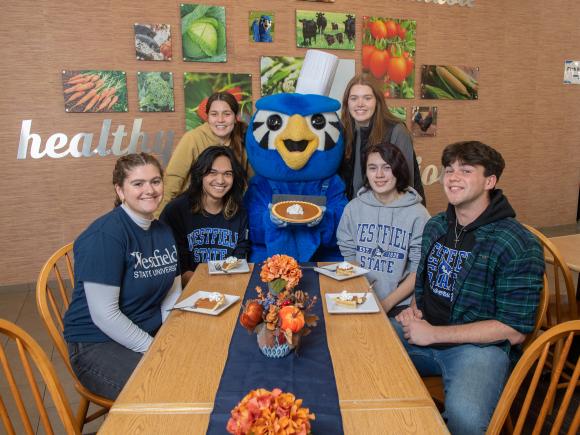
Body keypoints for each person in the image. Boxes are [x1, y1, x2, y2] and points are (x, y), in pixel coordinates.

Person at [393, 141, 544, 434]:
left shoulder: (517, 243)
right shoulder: (436, 225)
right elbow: (426, 284)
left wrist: (434, 334)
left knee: (467, 419)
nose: (452, 176)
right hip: (424, 331)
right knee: (364, 349)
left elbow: (515, 328)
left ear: (490, 180)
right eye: (449, 170)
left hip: (478, 349)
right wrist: (413, 310)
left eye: (465, 170)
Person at [63, 153, 182, 400]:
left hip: (145, 331)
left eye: (155, 181)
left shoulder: (163, 230)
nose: (149, 190)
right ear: (120, 190)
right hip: (96, 343)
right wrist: (154, 348)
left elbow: (172, 291)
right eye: (138, 184)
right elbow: (104, 315)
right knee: (164, 391)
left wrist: (172, 338)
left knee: (198, 366)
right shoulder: (106, 235)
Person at [337, 143, 430, 317]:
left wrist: (385, 305)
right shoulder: (353, 208)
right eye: (372, 168)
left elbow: (418, 270)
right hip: (360, 299)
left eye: (386, 168)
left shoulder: (418, 214)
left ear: (398, 170)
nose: (379, 175)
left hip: (400, 307)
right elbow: (349, 256)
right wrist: (361, 294)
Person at [160, 146, 250, 286]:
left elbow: (239, 261)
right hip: (187, 292)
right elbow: (177, 268)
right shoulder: (176, 211)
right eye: (212, 172)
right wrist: (208, 287)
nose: (220, 180)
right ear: (200, 174)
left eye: (227, 174)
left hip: (228, 289)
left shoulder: (240, 212)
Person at [158, 91, 249, 214]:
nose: (220, 120)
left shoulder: (242, 140)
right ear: (207, 117)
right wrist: (158, 221)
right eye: (214, 114)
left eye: (227, 114)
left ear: (235, 117)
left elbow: (249, 184)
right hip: (193, 212)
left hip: (227, 213)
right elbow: (173, 180)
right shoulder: (193, 138)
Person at [340, 72, 425, 202]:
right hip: (355, 210)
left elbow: (406, 184)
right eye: (354, 98)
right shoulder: (345, 131)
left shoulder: (397, 131)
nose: (360, 104)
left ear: (377, 101)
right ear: (347, 102)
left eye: (367, 98)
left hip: (389, 213)